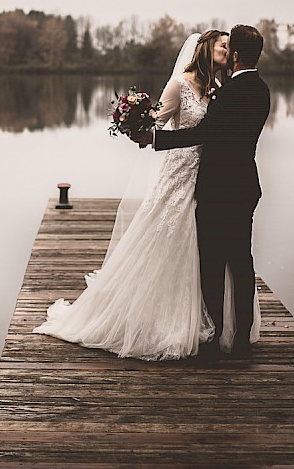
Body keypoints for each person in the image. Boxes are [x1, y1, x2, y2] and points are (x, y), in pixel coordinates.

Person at [33, 30, 237, 360]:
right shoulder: (180, 85)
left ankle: (201, 313)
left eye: (230, 47)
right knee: (169, 235)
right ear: (204, 49)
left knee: (200, 243)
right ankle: (158, 318)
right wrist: (134, 122)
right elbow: (155, 122)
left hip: (206, 175)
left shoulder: (217, 87)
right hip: (178, 173)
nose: (228, 51)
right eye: (223, 45)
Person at [135, 24, 270, 358]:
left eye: (228, 49)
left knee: (212, 262)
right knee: (242, 261)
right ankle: (239, 339)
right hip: (246, 185)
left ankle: (214, 335)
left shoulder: (228, 92)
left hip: (217, 188)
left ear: (236, 55)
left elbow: (205, 132)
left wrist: (155, 139)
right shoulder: (262, 90)